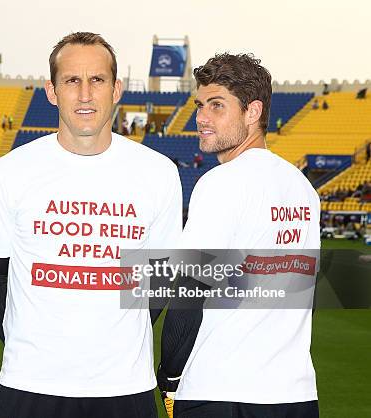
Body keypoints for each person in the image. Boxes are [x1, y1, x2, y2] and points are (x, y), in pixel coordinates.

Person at [0, 31, 182, 418]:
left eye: (97, 80)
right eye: (72, 81)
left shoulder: (158, 174)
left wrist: (116, 335)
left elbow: (161, 280)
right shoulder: (8, 173)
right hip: (31, 384)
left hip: (125, 386)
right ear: (51, 91)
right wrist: (32, 339)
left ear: (116, 89)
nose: (85, 94)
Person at [159, 53, 320, 418]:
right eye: (200, 105)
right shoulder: (303, 188)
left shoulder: (221, 183)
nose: (201, 118)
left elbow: (189, 289)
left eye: (217, 106)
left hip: (221, 390)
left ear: (252, 112)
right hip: (293, 394)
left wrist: (169, 372)